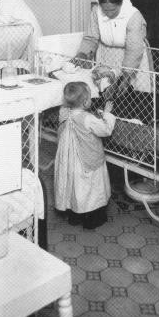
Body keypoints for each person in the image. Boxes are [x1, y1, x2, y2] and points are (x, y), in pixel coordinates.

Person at [54, 81, 116, 229]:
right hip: (85, 159)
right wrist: (107, 113)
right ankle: (92, 219)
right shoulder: (88, 118)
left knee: (72, 185)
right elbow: (105, 130)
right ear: (85, 102)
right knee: (90, 186)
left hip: (68, 159)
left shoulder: (64, 112)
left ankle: (74, 215)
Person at [74, 0, 150, 93]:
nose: (109, 14)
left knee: (131, 91)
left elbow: (134, 47)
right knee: (105, 86)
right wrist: (83, 54)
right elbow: (91, 37)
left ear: (120, 4)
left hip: (131, 56)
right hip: (106, 53)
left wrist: (126, 76)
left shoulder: (133, 15)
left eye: (113, 10)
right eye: (105, 10)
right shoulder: (96, 11)